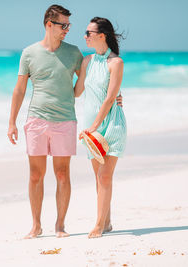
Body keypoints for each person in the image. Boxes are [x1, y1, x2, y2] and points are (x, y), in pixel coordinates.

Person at [7, 5, 122, 239]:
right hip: (36, 119)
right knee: (35, 175)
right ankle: (36, 226)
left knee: (62, 174)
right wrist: (12, 122)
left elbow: (95, 80)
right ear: (49, 24)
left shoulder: (74, 53)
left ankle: (60, 226)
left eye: (69, 25)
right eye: (64, 25)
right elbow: (19, 90)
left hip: (66, 120)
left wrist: (117, 95)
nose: (68, 29)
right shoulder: (29, 53)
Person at [75, 17, 127, 238]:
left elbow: (109, 99)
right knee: (99, 177)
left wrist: (95, 126)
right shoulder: (86, 62)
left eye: (89, 33)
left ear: (101, 36)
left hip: (111, 125)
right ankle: (106, 222)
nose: (85, 36)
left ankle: (98, 224)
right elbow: (77, 91)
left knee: (105, 176)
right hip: (90, 127)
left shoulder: (116, 63)